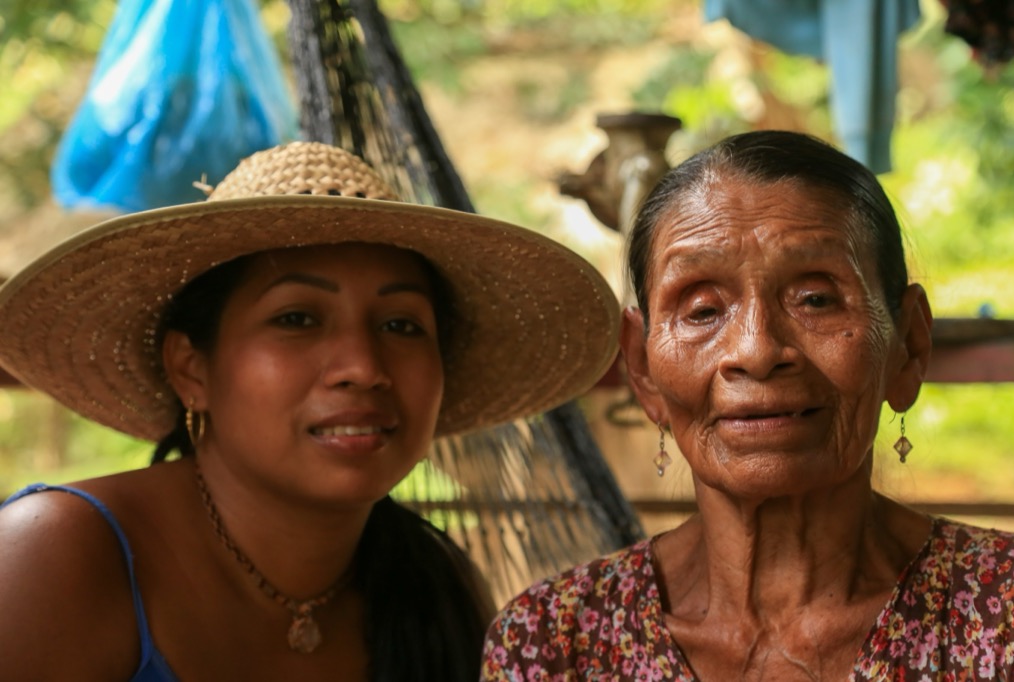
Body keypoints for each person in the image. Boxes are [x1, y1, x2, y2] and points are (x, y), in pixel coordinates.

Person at [0, 141, 620, 681]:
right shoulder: (58, 555)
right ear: (191, 368)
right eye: (296, 318)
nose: (363, 366)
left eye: (402, 325)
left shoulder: (432, 588)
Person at [481, 130, 1014, 680]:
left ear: (908, 346)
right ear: (641, 369)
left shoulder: (1009, 617)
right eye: (701, 310)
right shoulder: (552, 644)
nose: (756, 351)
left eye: (816, 299)